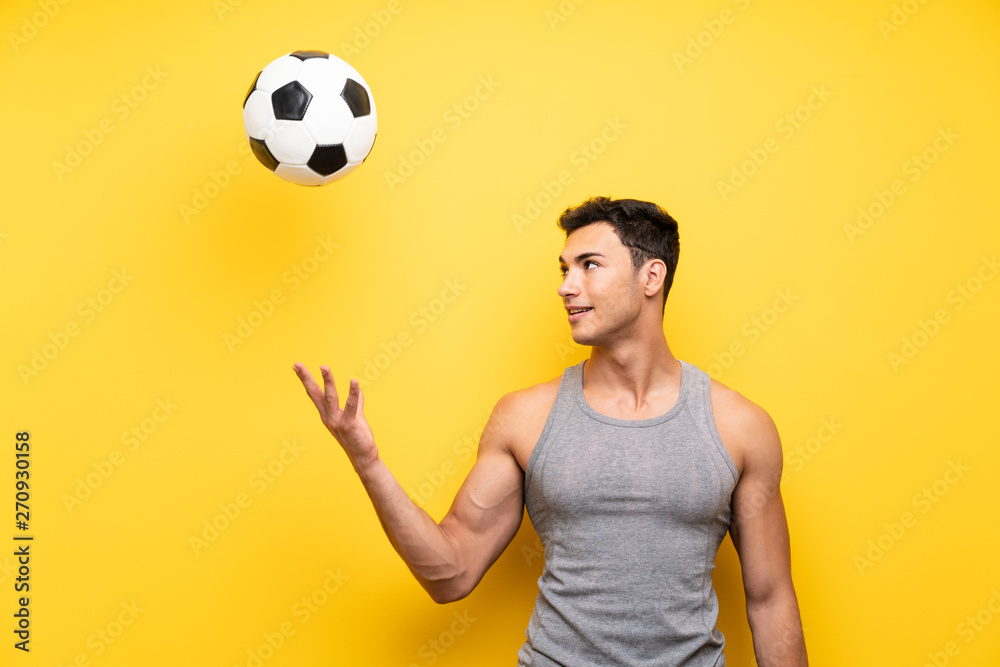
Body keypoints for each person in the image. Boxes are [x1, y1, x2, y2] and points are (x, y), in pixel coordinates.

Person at [292, 196, 808, 666]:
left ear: (651, 277)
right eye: (564, 268)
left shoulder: (740, 427)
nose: (566, 285)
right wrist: (368, 462)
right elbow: (450, 573)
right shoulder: (525, 418)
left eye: (589, 266)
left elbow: (770, 599)